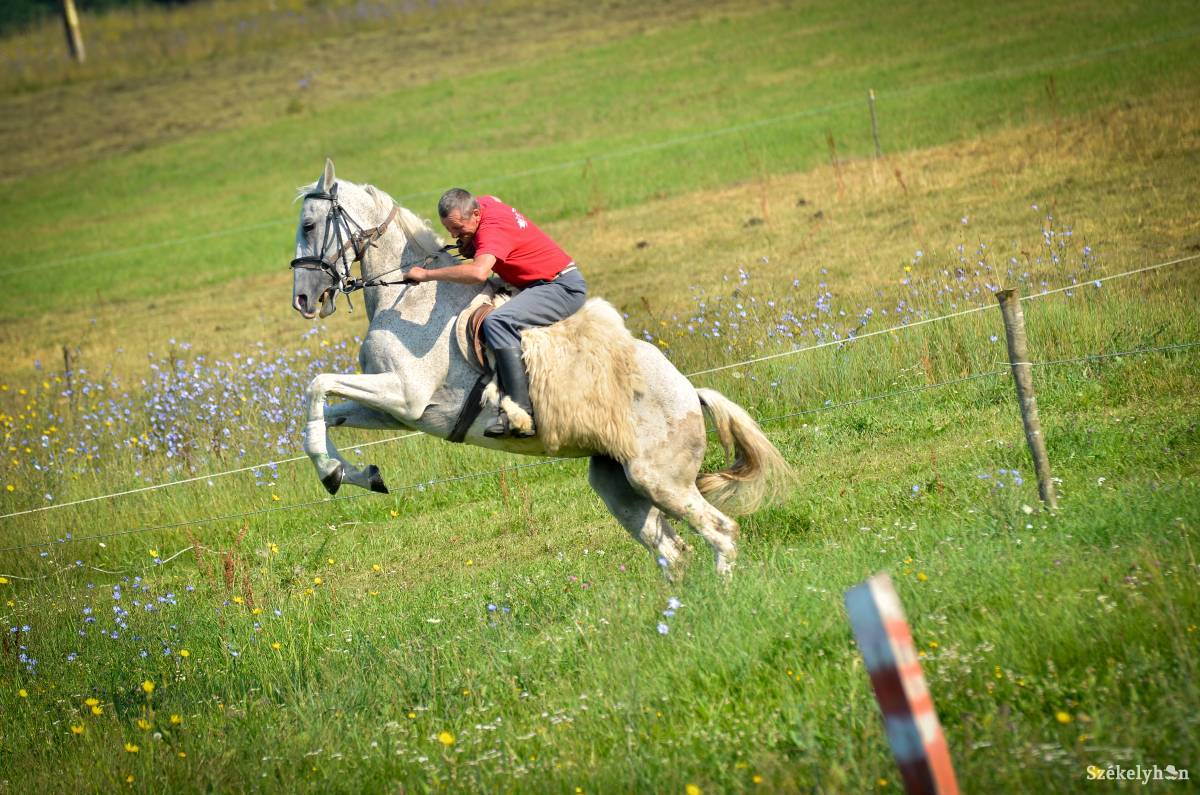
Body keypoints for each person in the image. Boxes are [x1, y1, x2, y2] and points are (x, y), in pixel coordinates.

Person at [405, 189, 587, 438]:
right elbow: (495, 198)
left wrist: (426, 275)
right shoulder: (484, 205)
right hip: (539, 283)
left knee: (497, 321)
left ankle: (522, 411)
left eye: (458, 229)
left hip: (560, 287)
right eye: (450, 231)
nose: (455, 235)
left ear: (476, 213)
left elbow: (479, 273)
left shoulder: (491, 230)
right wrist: (471, 237)